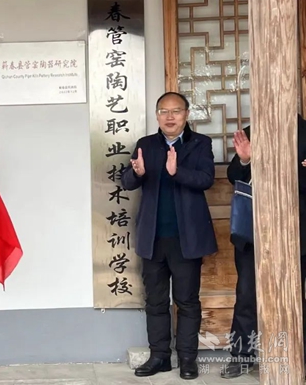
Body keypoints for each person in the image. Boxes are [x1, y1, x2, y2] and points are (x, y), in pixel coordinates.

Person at [122, 92, 217, 380]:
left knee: (187, 301)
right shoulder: (146, 145)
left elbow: (206, 179)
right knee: (156, 301)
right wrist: (138, 173)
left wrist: (177, 172)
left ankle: (187, 359)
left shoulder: (200, 143)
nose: (170, 116)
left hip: (186, 238)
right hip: (153, 237)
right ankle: (159, 356)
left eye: (176, 111)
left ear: (186, 114)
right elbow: (127, 182)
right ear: (157, 115)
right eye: (164, 111)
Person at [222, 113, 306, 378]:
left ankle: (298, 356)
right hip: (254, 230)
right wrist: (246, 160)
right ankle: (242, 356)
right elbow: (234, 175)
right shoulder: (252, 131)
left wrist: (291, 170)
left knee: (297, 296)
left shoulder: (304, 132)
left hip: (297, 231)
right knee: (247, 294)